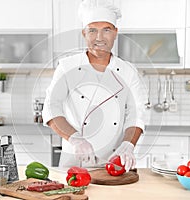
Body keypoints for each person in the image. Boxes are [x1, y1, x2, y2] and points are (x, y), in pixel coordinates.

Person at [42, 0, 146, 172]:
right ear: (84, 33)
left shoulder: (128, 71)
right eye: (92, 30)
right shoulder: (67, 66)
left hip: (115, 160)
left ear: (115, 33)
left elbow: (137, 113)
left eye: (106, 30)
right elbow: (51, 108)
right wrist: (76, 139)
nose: (99, 38)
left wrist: (128, 145)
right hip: (76, 161)